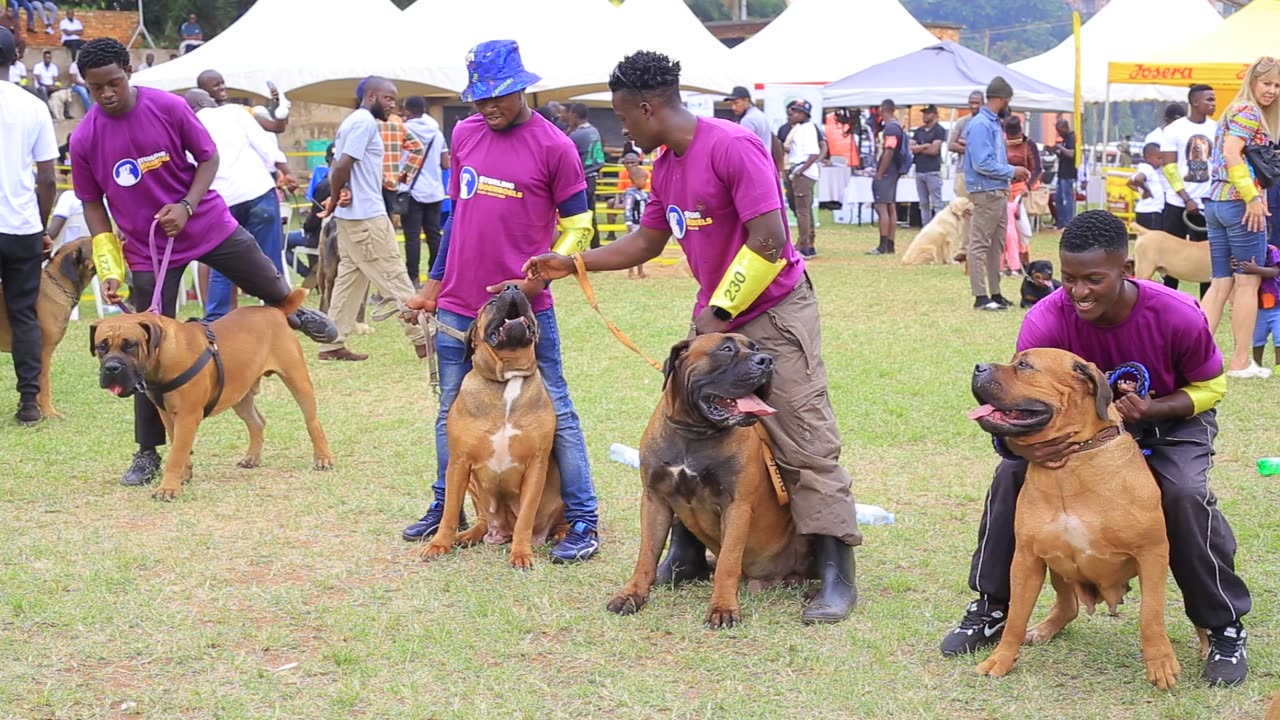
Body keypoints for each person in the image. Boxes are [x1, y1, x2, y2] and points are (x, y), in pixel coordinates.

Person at [521, 50, 862, 620]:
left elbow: (770, 239)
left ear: (649, 107)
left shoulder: (731, 145)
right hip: (717, 318)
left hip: (773, 312)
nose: (623, 127)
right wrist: (573, 263)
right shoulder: (666, 165)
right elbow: (648, 241)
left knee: (802, 435)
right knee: (688, 424)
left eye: (625, 116)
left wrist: (720, 314)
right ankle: (685, 553)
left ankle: (833, 570)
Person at [941, 209, 1251, 687]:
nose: (1079, 292)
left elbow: (1212, 387)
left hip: (1168, 419)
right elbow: (1021, 397)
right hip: (1073, 431)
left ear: (1126, 270)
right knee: (1009, 478)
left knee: (1183, 491)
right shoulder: (1047, 318)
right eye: (1069, 279)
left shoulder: (1176, 313)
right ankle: (991, 606)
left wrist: (1155, 410)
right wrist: (1023, 450)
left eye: (1093, 279)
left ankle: (1221, 622)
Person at [70, 38, 337, 486]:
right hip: (147, 247)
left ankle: (296, 314)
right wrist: (110, 264)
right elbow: (93, 205)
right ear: (87, 86)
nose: (108, 94)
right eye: (97, 88)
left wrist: (187, 206)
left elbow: (208, 158)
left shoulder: (168, 109)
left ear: (128, 72)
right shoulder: (84, 138)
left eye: (114, 83)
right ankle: (147, 452)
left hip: (207, 223)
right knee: (142, 350)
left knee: (271, 286)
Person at [399, 39, 602, 564]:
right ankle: (447, 508)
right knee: (451, 410)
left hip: (522, 310)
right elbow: (455, 217)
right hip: (458, 306)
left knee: (557, 409)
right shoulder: (464, 134)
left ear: (523, 87)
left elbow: (580, 226)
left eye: (500, 97)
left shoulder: (555, 146)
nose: (489, 108)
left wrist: (547, 274)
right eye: (479, 99)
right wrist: (433, 284)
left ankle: (582, 520)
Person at [313, 77, 426, 362]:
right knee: (394, 275)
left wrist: (340, 195)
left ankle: (331, 342)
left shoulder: (352, 122)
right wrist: (338, 195)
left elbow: (340, 165)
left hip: (354, 217)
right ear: (371, 95)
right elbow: (341, 165)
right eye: (388, 99)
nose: (393, 105)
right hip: (367, 217)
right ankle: (424, 340)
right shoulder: (363, 123)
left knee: (349, 278)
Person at [183, 88, 294, 322]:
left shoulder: (188, 126)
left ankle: (216, 321)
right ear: (206, 101)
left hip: (222, 201)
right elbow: (265, 146)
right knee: (270, 258)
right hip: (258, 191)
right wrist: (285, 171)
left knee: (224, 263)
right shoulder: (234, 111)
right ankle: (281, 314)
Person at [1200, 58, 1280, 381]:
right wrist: (1251, 196)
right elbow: (1233, 153)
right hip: (1239, 205)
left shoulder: (1233, 109)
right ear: (1253, 81)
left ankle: (1191, 350)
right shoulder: (1249, 112)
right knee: (1248, 282)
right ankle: (1241, 361)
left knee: (1221, 282)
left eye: (1277, 86)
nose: (1272, 91)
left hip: (1216, 202)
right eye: (1267, 84)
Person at [0, 26, 56, 426]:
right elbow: (48, 178)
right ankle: (29, 404)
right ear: (15, 58)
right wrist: (41, 226)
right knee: (23, 314)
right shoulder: (33, 104)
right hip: (20, 227)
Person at [966, 77, 1029, 312]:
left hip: (998, 191)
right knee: (980, 244)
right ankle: (980, 296)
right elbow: (982, 163)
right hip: (986, 190)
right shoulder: (982, 125)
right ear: (1002, 99)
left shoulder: (992, 123)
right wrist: (1013, 171)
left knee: (996, 245)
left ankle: (995, 292)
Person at [1161, 84, 1218, 296]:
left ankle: (1206, 306)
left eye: (1214, 100)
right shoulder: (1174, 129)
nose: (1213, 104)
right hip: (1178, 204)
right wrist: (1185, 198)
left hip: (1207, 204)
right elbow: (1169, 166)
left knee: (1208, 258)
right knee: (1170, 256)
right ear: (1195, 102)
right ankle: (1167, 299)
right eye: (1209, 100)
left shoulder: (1216, 128)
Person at [401, 94, 448, 285]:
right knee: (434, 236)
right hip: (434, 191)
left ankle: (413, 278)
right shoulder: (437, 133)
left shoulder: (402, 131)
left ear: (407, 111)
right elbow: (445, 163)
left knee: (412, 237)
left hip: (410, 190)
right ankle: (435, 277)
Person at [868, 98, 907, 256]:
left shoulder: (891, 128)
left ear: (882, 110)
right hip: (894, 171)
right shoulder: (898, 126)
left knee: (881, 207)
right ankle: (890, 244)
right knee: (890, 206)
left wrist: (880, 173)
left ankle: (883, 245)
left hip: (887, 171)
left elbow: (889, 150)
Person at [1002, 115, 1041, 274]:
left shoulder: (1028, 144)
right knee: (1006, 228)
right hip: (1003, 187)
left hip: (1021, 189)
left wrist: (1028, 185)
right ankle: (1005, 263)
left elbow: (1037, 168)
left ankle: (1022, 261)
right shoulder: (1001, 143)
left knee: (1021, 228)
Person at [781, 98, 820, 257]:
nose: (792, 113)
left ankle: (803, 245)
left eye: (797, 112)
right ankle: (808, 243)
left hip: (803, 172)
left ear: (804, 114)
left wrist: (799, 171)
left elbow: (814, 153)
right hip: (801, 170)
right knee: (805, 210)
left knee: (802, 211)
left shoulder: (807, 129)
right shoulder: (799, 128)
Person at [196, 69, 290, 135]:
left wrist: (280, 108)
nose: (222, 87)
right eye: (216, 85)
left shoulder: (240, 110)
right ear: (203, 90)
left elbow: (276, 127)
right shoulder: (197, 116)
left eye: (222, 83)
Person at [949, 90, 984, 263]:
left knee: (980, 212)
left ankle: (977, 249)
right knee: (964, 211)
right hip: (964, 172)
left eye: (977, 103)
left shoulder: (987, 123)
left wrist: (969, 146)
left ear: (983, 103)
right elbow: (951, 145)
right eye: (971, 102)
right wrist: (972, 149)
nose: (974, 106)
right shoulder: (962, 122)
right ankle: (963, 249)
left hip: (982, 174)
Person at [565, 103, 604, 249]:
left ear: (574, 115)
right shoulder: (594, 131)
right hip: (593, 175)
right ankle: (596, 248)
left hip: (581, 178)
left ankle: (577, 249)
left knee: (577, 217)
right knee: (591, 215)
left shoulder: (577, 135)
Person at [725, 85, 784, 170]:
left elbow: (742, 149)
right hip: (765, 164)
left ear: (746, 100)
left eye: (736, 103)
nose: (733, 107)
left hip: (755, 166)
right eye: (732, 104)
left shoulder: (748, 120)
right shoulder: (760, 115)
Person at [1242, 245, 1280, 370]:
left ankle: (1278, 366)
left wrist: (1256, 269)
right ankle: (1257, 364)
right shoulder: (1242, 249)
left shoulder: (1271, 250)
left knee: (1279, 337)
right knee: (1258, 338)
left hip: (1276, 306)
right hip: (1257, 307)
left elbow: (1275, 271)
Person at [911, 104, 946, 227]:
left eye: (928, 113)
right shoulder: (918, 131)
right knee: (923, 203)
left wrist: (919, 148)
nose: (925, 115)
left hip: (932, 170)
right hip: (920, 170)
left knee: (936, 202)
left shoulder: (939, 130)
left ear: (934, 114)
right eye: (924, 113)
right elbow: (911, 148)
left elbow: (934, 151)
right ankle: (925, 227)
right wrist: (925, 145)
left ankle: (940, 227)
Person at [1045, 117, 1077, 230]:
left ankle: (1069, 223)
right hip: (1061, 173)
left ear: (1065, 128)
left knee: (1067, 198)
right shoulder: (1065, 139)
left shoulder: (1072, 138)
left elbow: (1072, 154)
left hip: (1069, 174)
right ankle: (1060, 222)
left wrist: (1060, 147)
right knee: (1058, 198)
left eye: (1059, 130)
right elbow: (1064, 155)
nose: (1058, 133)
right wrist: (1054, 151)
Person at [1129, 142, 1166, 232]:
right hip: (1151, 211)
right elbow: (1138, 179)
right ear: (1149, 157)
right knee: (1153, 239)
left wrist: (1140, 190)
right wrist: (1146, 191)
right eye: (1159, 158)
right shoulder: (1148, 169)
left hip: (1144, 209)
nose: (1161, 162)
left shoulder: (1142, 168)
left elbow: (1130, 183)